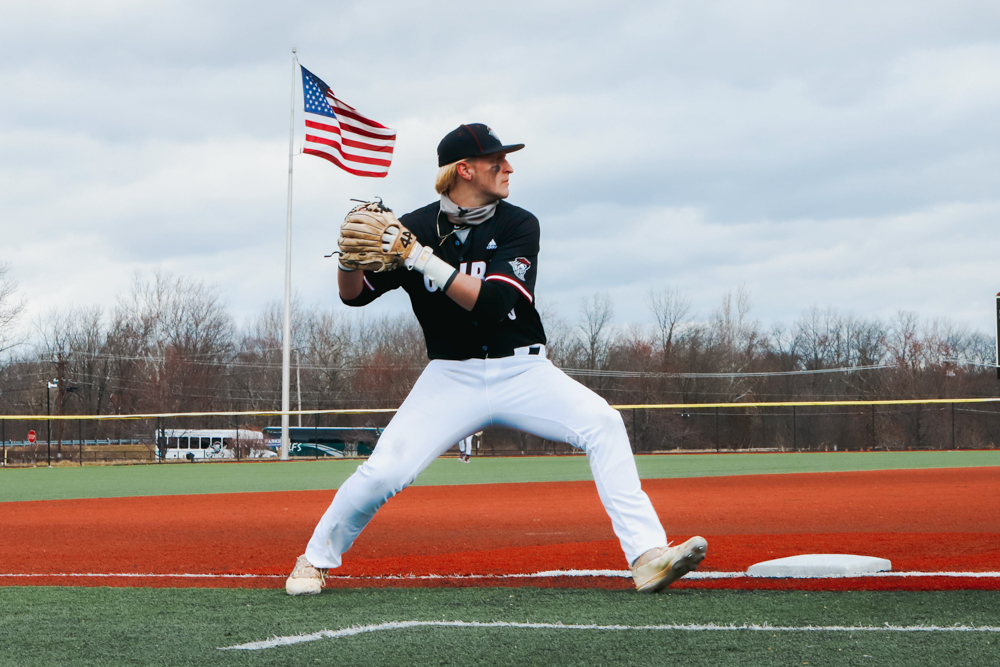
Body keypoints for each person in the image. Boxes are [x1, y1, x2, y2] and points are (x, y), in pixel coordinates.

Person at [285, 123, 706, 595]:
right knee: (385, 470)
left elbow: (490, 302)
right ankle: (313, 559)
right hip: (450, 375)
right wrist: (347, 260)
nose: (508, 167)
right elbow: (355, 297)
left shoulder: (518, 223)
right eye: (496, 161)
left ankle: (647, 556)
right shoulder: (416, 228)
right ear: (464, 170)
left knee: (603, 423)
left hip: (522, 369)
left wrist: (419, 258)